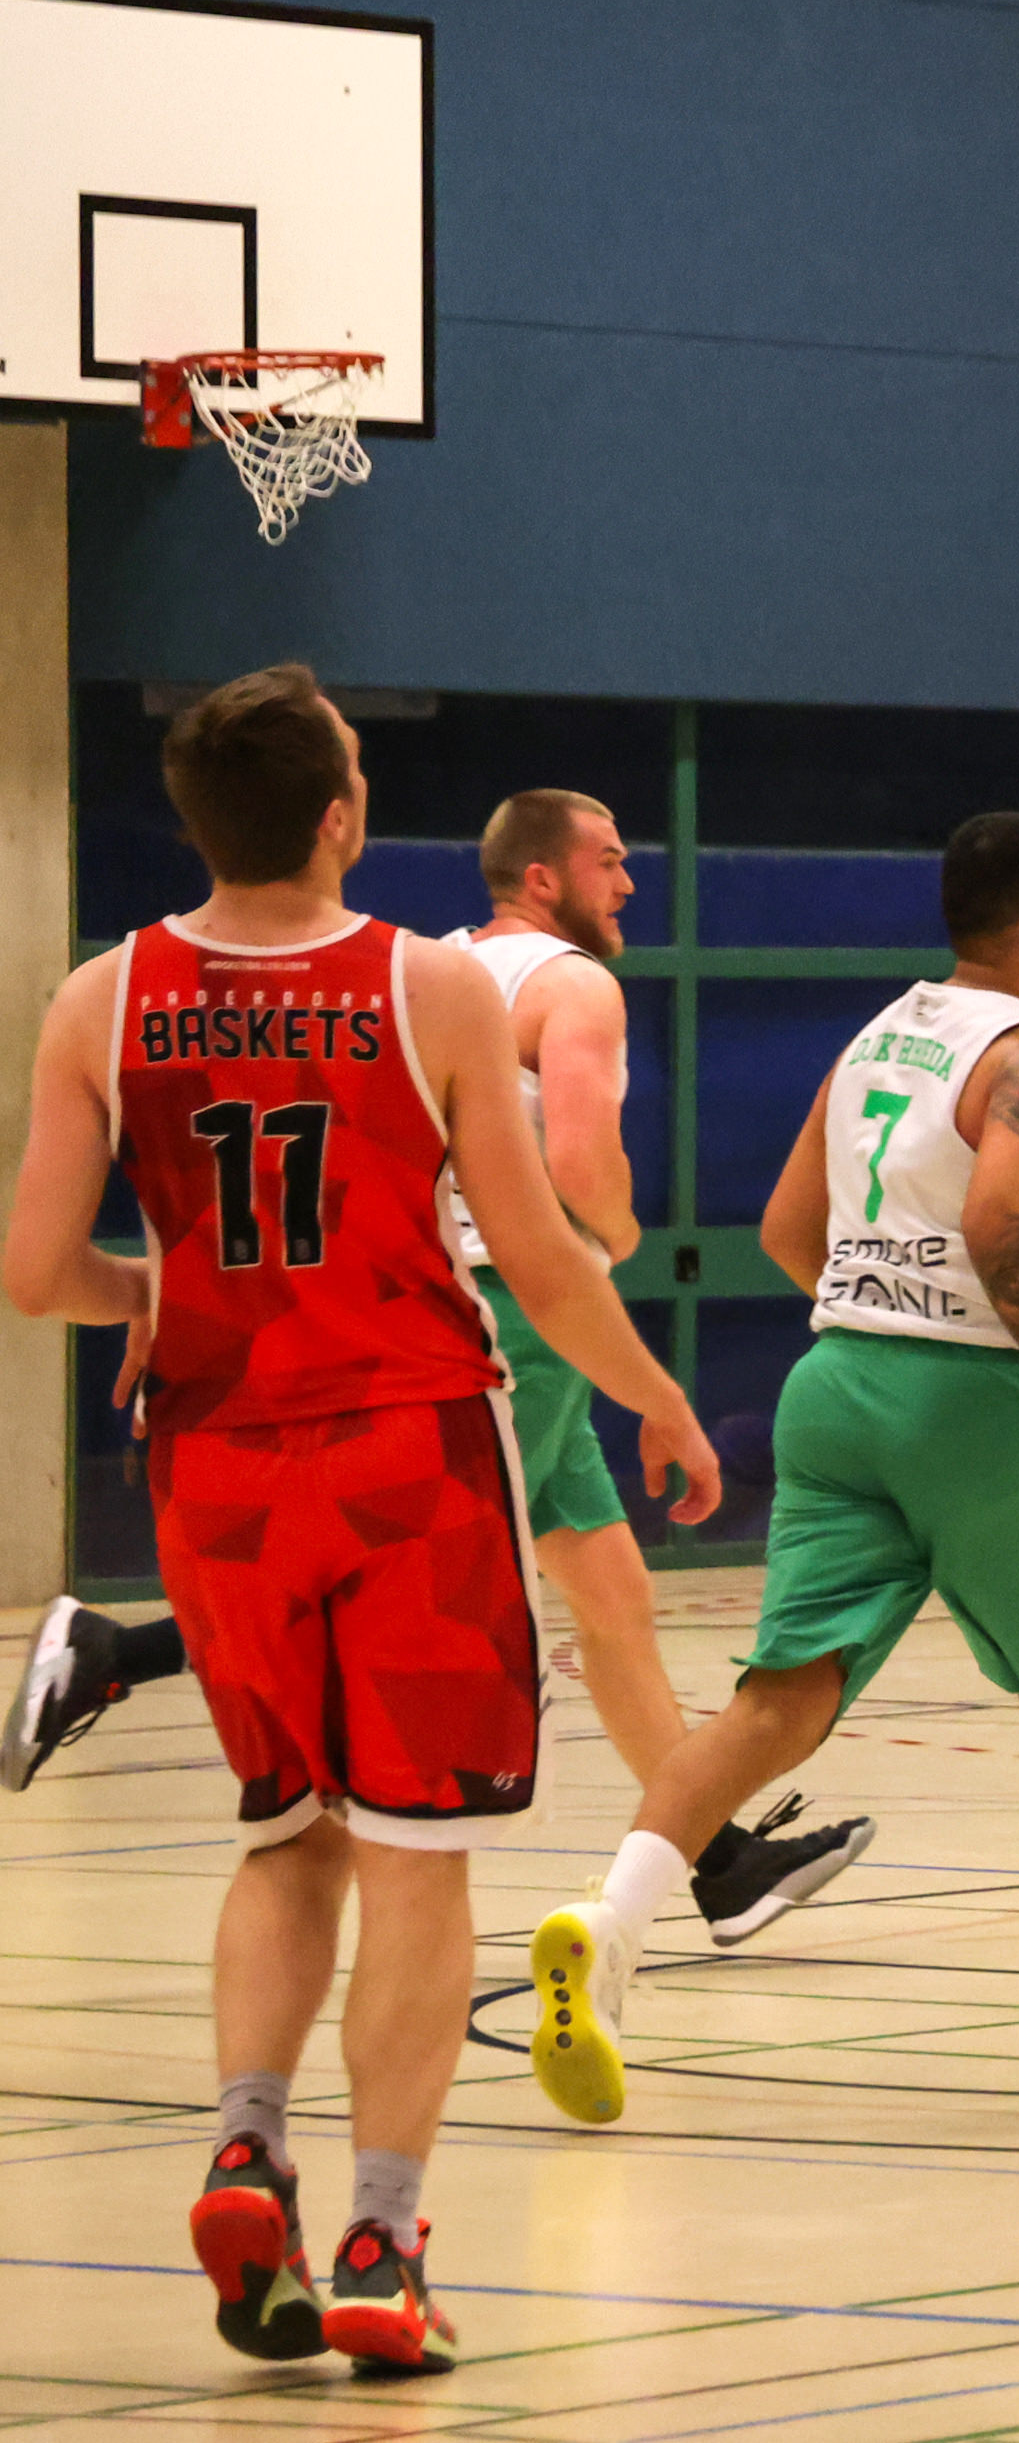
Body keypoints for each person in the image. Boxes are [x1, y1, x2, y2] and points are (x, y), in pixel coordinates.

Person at [1, 665, 723, 2375]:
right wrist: (658, 1396)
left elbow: (34, 1271)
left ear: (198, 819)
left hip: (216, 1461)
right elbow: (540, 1255)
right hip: (411, 1450)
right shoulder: (428, 984)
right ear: (341, 816)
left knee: (285, 1833)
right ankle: (384, 2245)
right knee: (417, 1853)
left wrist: (151, 1289)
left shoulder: (103, 996)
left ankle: (245, 2142)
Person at [11, 794, 876, 1945]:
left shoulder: (440, 967)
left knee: (612, 1600)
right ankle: (115, 1653)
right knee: (408, 1570)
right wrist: (616, 1236)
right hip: (498, 1312)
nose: (628, 882)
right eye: (609, 861)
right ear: (542, 878)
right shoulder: (574, 986)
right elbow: (578, 1164)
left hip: (422, 1289)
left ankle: (714, 1861)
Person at [520, 813, 1019, 2123]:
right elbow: (1001, 1219)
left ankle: (608, 1929)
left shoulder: (877, 1039)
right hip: (984, 1404)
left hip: (836, 1383)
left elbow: (788, 1227)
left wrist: (881, 1324)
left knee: (774, 1703)